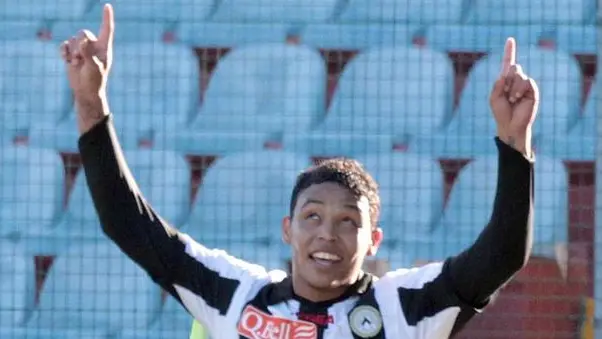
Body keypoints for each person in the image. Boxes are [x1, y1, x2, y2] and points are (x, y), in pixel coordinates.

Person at [60, 4, 538, 338]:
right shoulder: (236, 293)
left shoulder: (405, 308)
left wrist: (515, 144)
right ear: (288, 230)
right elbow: (129, 223)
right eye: (312, 217)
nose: (326, 234)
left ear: (374, 241)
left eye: (349, 221)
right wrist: (89, 102)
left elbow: (502, 255)